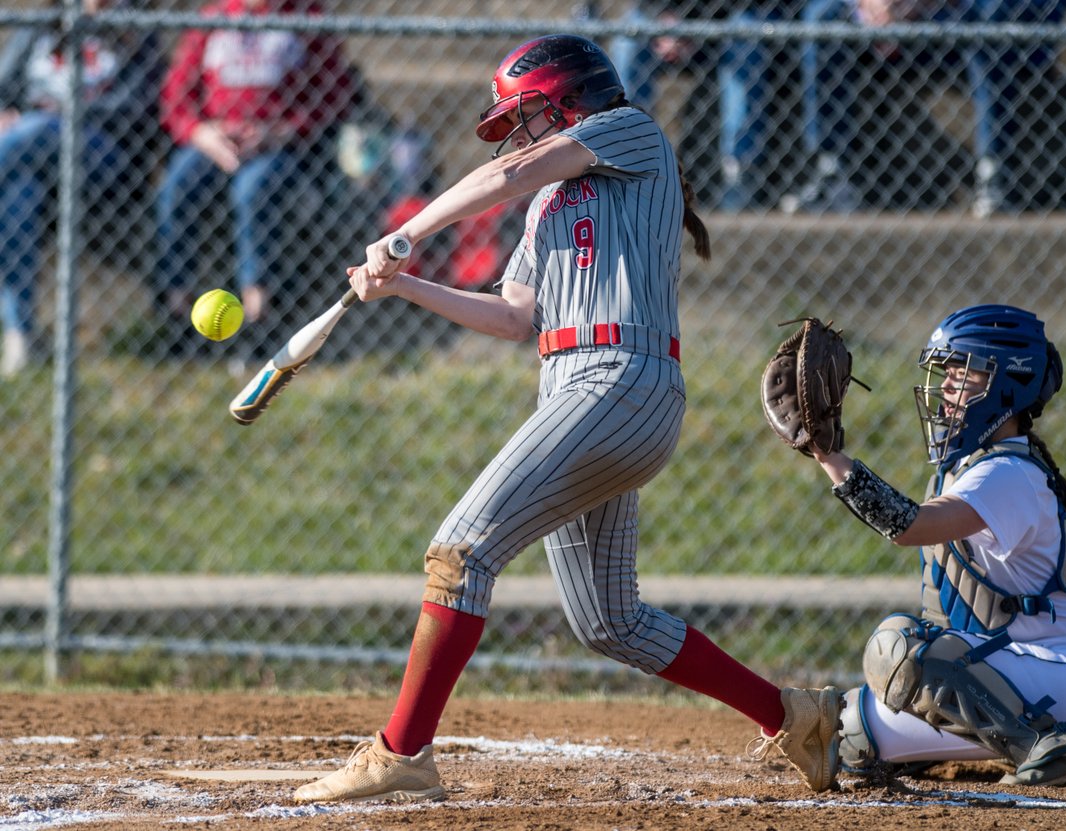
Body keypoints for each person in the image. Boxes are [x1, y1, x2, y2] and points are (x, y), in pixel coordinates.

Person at [290, 33, 840, 805]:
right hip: (578, 392)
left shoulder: (628, 129)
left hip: (620, 379)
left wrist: (409, 230)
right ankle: (791, 714)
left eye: (527, 114)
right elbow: (515, 318)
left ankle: (402, 751)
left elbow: (506, 173)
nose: (518, 133)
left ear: (569, 97)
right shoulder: (547, 202)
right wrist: (405, 284)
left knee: (460, 551)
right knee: (610, 620)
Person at [800, 304, 1066, 786]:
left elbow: (909, 525)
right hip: (1015, 673)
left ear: (1005, 387)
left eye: (963, 375)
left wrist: (828, 455)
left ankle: (1046, 746)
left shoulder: (1008, 474)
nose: (945, 390)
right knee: (852, 729)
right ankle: (1017, 737)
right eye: (946, 375)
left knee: (899, 647)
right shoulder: (969, 467)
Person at [153, 0, 353, 357]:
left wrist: (281, 132)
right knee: (177, 185)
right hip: (214, 142)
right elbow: (175, 99)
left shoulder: (305, 17)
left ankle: (256, 316)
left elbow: (335, 97)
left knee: (253, 189)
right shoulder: (214, 18)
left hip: (281, 147)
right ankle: (176, 312)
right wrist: (202, 133)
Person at [0, 0, 161, 377]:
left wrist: (61, 113)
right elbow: (4, 88)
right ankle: (21, 334)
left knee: (38, 128)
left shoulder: (137, 27)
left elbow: (134, 107)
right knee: (20, 197)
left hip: (102, 155)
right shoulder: (44, 23)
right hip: (29, 158)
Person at [797, 0, 1066, 216]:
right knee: (822, 17)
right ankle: (830, 172)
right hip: (903, 13)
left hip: (965, 10)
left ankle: (994, 173)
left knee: (989, 19)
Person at [609, 1, 803, 211]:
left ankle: (738, 169)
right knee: (627, 40)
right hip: (667, 20)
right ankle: (630, 165)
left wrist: (694, 23)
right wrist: (663, 17)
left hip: (727, 19)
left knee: (745, 36)